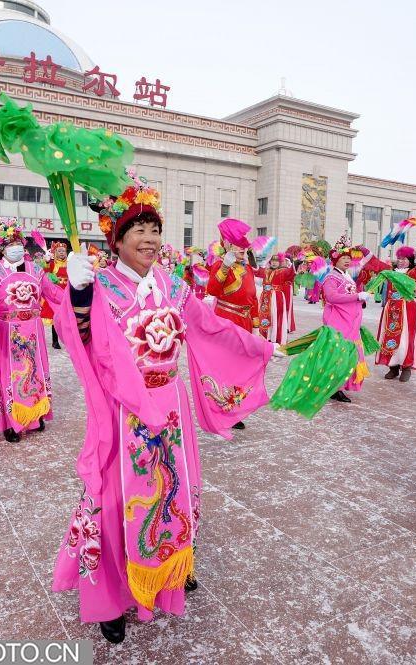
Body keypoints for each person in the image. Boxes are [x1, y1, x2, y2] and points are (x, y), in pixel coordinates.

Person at [51, 176, 282, 643]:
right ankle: (110, 598)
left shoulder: (174, 286)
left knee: (173, 491)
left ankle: (169, 571)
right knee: (115, 500)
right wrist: (77, 295)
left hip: (172, 409)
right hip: (123, 410)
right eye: (138, 230)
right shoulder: (99, 285)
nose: (150, 239)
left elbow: (211, 328)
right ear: (117, 240)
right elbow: (81, 338)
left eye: (155, 230)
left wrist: (260, 346)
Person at [0, 221, 63, 443]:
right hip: (7, 331)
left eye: (18, 243)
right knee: (10, 374)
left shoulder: (36, 269)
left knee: (36, 372)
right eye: (10, 244)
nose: (16, 248)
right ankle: (12, 422)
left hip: (34, 331)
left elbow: (53, 293)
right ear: (2, 248)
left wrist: (78, 292)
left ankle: (36, 415)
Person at [364, 237, 416, 382]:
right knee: (389, 336)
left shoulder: (413, 273)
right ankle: (393, 367)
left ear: (410, 260)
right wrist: (364, 251)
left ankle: (406, 366)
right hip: (391, 309)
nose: (401, 261)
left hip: (407, 310)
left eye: (405, 259)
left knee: (405, 338)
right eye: (399, 258)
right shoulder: (390, 272)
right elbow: (376, 264)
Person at [322, 239, 375, 402]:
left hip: (350, 321)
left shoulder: (347, 275)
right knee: (340, 353)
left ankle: (341, 385)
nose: (347, 260)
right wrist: (357, 296)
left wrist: (361, 300)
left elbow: (368, 259)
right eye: (343, 257)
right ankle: (334, 387)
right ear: (335, 260)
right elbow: (331, 297)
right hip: (338, 321)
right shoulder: (331, 277)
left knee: (349, 353)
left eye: (348, 258)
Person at [259, 252, 296, 344]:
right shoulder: (266, 271)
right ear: (270, 262)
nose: (274, 263)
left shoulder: (282, 271)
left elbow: (290, 273)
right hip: (266, 296)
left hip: (277, 297)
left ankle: (275, 336)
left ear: (280, 262)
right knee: (265, 315)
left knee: (276, 316)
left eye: (276, 261)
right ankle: (265, 335)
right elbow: (257, 271)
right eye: (273, 261)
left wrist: (296, 263)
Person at [42, 242, 69, 349]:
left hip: (67, 293)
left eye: (63, 251)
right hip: (56, 295)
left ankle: (68, 339)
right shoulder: (53, 263)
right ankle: (55, 341)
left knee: (68, 318)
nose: (62, 253)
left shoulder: (70, 264)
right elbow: (46, 271)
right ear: (55, 253)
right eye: (59, 251)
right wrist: (47, 262)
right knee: (56, 317)